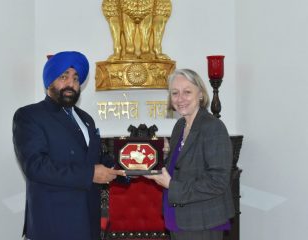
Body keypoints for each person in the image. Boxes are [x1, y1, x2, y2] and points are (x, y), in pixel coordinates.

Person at [12, 51, 125, 240]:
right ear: (49, 80)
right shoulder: (30, 116)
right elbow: (36, 166)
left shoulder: (86, 119)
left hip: (88, 221)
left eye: (75, 78)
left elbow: (95, 158)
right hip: (54, 225)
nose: (71, 84)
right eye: (63, 77)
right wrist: (90, 174)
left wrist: (126, 167)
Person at [145, 69, 235, 240]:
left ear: (200, 94)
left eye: (187, 92)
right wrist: (166, 155)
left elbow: (218, 182)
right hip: (178, 219)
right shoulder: (180, 125)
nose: (180, 99)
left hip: (202, 221)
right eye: (175, 93)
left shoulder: (213, 127)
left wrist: (172, 185)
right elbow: (184, 166)